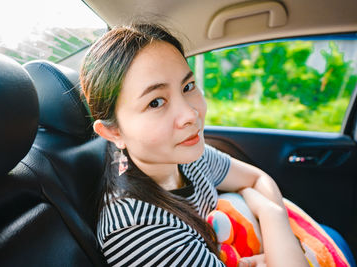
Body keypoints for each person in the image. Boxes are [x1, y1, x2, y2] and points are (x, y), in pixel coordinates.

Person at [80, 23, 309, 267]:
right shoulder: (136, 230)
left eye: (187, 87)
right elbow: (256, 187)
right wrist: (269, 212)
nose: (190, 114)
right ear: (113, 131)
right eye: (156, 102)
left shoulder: (186, 158)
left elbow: (256, 179)